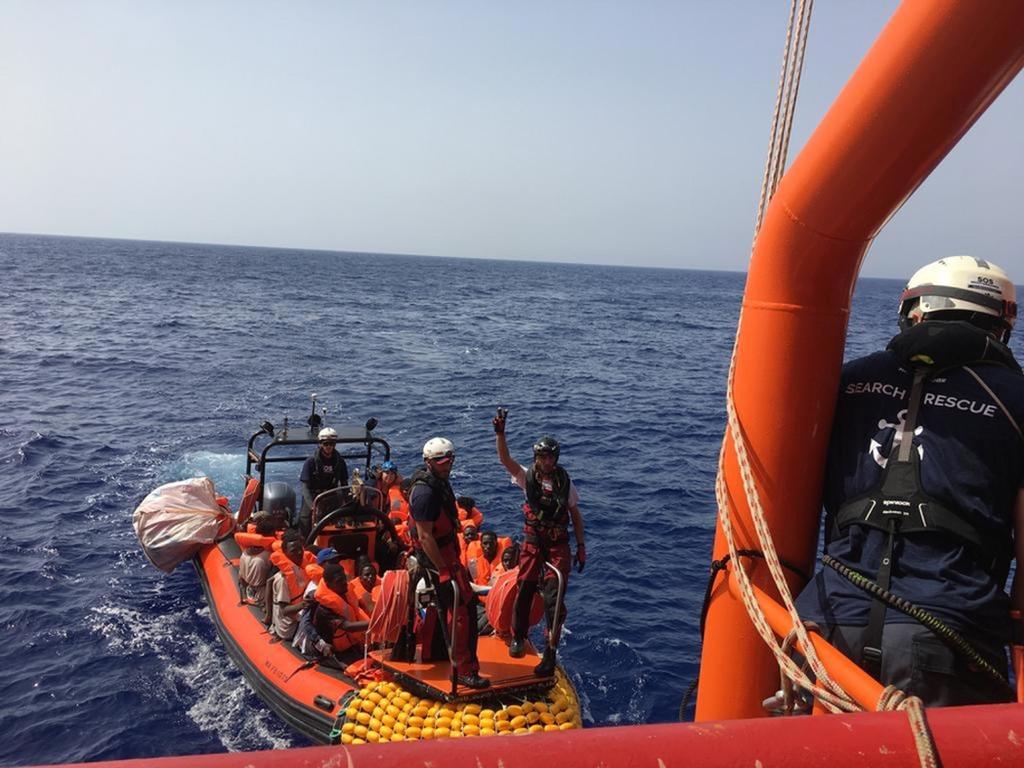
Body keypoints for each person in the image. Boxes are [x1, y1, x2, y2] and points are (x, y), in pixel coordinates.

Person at [795, 255, 1024, 707]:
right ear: (1001, 325)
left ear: (913, 314)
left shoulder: (849, 380)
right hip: (948, 633)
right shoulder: (1016, 399)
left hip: (826, 626)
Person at [493, 408, 586, 677]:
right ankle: (518, 636)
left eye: (551, 457)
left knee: (554, 598)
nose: (547, 461)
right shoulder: (527, 476)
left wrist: (581, 547)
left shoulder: (565, 483)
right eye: (543, 457)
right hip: (534, 540)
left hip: (558, 543)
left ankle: (550, 651)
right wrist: (500, 434)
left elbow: (575, 514)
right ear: (536, 458)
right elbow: (505, 459)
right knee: (525, 586)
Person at [409, 436, 490, 689]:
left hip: (448, 555)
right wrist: (442, 569)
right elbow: (425, 537)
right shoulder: (424, 494)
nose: (447, 465)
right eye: (441, 462)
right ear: (429, 462)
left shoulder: (439, 483)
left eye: (450, 460)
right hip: (438, 560)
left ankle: (449, 656)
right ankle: (463, 670)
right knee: (460, 612)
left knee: (460, 607)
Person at [298, 428, 350, 538]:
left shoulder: (340, 461)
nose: (328, 446)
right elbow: (305, 488)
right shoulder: (310, 462)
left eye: (332, 444)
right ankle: (305, 541)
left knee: (338, 519)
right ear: (320, 444)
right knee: (305, 519)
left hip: (331, 495)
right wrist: (312, 506)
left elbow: (344, 484)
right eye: (325, 444)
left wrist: (348, 503)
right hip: (313, 495)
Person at [266, 529, 311, 641]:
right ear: (285, 552)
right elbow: (284, 610)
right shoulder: (283, 579)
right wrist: (304, 604)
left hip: (301, 612)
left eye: (300, 549)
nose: (299, 553)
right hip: (288, 626)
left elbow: (269, 581)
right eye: (294, 551)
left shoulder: (301, 567)